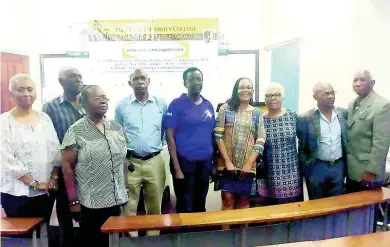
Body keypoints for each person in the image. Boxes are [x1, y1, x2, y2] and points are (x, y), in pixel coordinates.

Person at [61, 85, 128, 247]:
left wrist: (125, 188)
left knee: (115, 242)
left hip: (116, 200)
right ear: (84, 103)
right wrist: (73, 201)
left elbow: (123, 161)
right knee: (94, 242)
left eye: (105, 97)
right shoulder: (76, 130)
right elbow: (67, 166)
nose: (103, 101)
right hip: (90, 204)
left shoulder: (116, 128)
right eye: (98, 98)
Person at [0, 74, 59, 225]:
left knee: (43, 234)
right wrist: (34, 183)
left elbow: (55, 150)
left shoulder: (44, 118)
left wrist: (53, 178)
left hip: (46, 191)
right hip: (16, 193)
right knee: (23, 238)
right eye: (20, 90)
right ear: (12, 94)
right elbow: (7, 158)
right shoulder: (4, 121)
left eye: (29, 89)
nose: (26, 93)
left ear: (35, 93)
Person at [115, 68, 167, 236]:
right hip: (131, 162)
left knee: (154, 206)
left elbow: (165, 130)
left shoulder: (161, 103)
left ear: (149, 80)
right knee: (129, 206)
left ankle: (153, 242)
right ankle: (132, 242)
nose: (140, 81)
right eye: (135, 79)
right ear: (130, 83)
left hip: (155, 161)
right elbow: (119, 134)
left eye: (143, 77)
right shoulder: (122, 106)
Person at [43, 67, 85, 247]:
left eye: (80, 76)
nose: (78, 79)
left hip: (90, 170)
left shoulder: (89, 102)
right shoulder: (50, 108)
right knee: (65, 215)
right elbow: (49, 142)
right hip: (64, 170)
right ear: (61, 82)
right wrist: (53, 174)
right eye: (73, 77)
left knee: (90, 216)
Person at [165, 67, 215, 213]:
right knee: (185, 206)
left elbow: (212, 135)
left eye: (199, 79)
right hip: (184, 164)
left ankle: (198, 236)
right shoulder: (176, 104)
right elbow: (170, 137)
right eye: (192, 79)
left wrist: (213, 164)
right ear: (185, 83)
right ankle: (185, 235)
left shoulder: (208, 104)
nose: (196, 82)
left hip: (205, 164)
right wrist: (176, 168)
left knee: (200, 205)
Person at [215, 77, 265, 211]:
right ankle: (226, 233)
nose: (246, 90)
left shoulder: (257, 113)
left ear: (252, 90)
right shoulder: (225, 109)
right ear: (236, 90)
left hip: (247, 168)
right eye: (242, 87)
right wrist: (227, 162)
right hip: (227, 166)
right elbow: (218, 135)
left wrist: (249, 163)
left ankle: (243, 233)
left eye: (249, 87)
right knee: (227, 201)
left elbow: (260, 140)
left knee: (244, 203)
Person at [297, 83, 348, 199]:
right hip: (316, 167)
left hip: (338, 166)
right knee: (317, 204)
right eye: (326, 93)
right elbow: (302, 146)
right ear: (315, 97)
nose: (330, 96)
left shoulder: (344, 114)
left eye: (332, 93)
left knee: (337, 203)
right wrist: (307, 168)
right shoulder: (305, 118)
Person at [257, 83, 303, 205]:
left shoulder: (292, 116)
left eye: (277, 94)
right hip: (267, 174)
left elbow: (304, 141)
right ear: (265, 100)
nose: (273, 98)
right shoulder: (259, 119)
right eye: (269, 95)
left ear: (283, 98)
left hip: (291, 174)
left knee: (291, 212)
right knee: (269, 213)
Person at [346, 70, 390, 192]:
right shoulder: (351, 104)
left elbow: (381, 143)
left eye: (362, 80)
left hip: (368, 173)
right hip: (351, 171)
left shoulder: (382, 105)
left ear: (372, 83)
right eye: (355, 80)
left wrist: (371, 172)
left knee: (368, 210)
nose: (357, 83)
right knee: (352, 209)